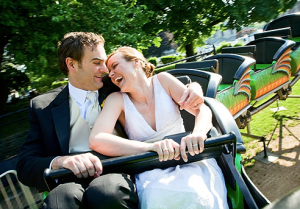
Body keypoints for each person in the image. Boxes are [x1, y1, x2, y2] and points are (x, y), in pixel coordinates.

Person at [16, 32, 205, 209]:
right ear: (72, 65)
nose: (106, 69)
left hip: (115, 171)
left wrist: (194, 87)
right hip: (70, 179)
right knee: (60, 200)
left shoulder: (116, 85)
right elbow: (25, 164)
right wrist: (61, 162)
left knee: (107, 192)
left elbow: (150, 81)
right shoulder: (42, 106)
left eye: (106, 63)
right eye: (97, 62)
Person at [89, 46, 229, 209]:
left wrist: (198, 133)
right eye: (109, 72)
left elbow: (201, 109)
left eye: (114, 66)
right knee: (158, 197)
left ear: (136, 63)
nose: (111, 74)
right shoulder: (116, 100)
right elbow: (96, 139)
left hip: (188, 158)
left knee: (198, 192)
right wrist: (150, 147)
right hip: (151, 170)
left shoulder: (163, 81)